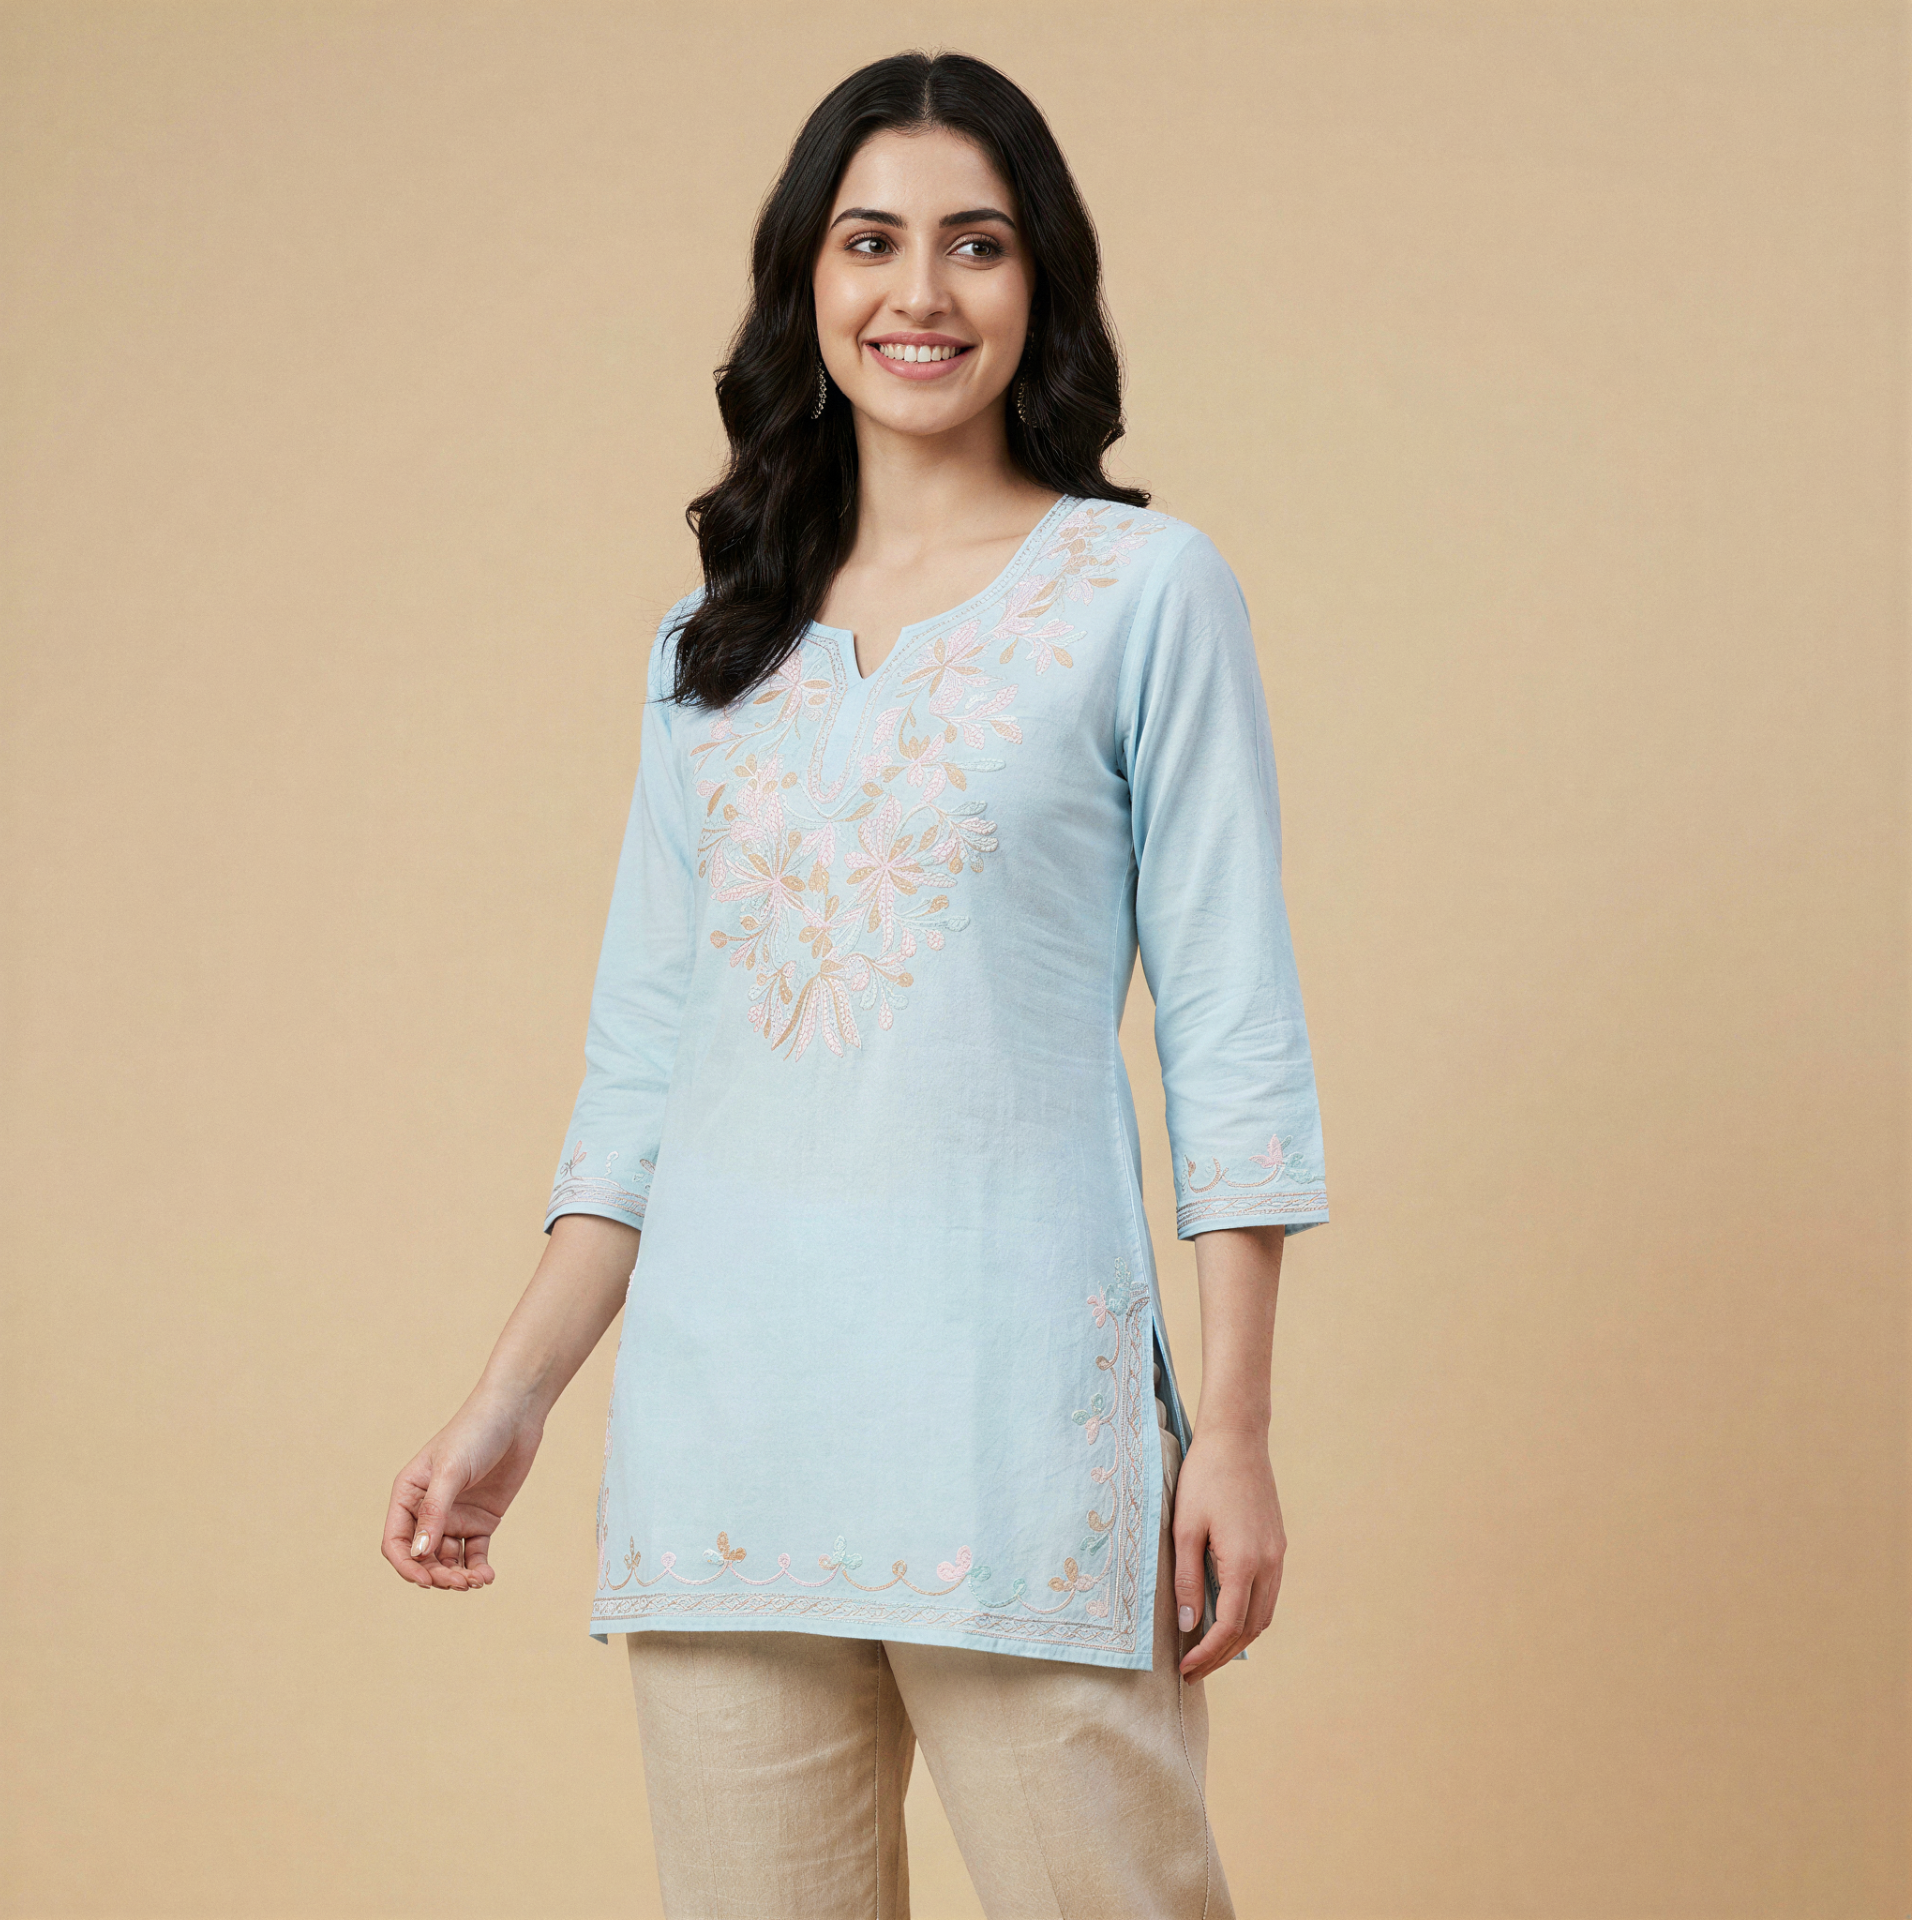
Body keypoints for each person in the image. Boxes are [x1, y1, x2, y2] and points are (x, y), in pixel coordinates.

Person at [382, 48, 1329, 1920]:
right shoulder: (710, 650)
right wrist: (514, 1398)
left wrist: (1231, 1430)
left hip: (1018, 1442)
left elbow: (1234, 1029)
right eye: (870, 241)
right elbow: (646, 1074)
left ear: (1041, 281)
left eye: (977, 243)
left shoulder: (1140, 592)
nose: (922, 291)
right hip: (728, 1452)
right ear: (804, 284)